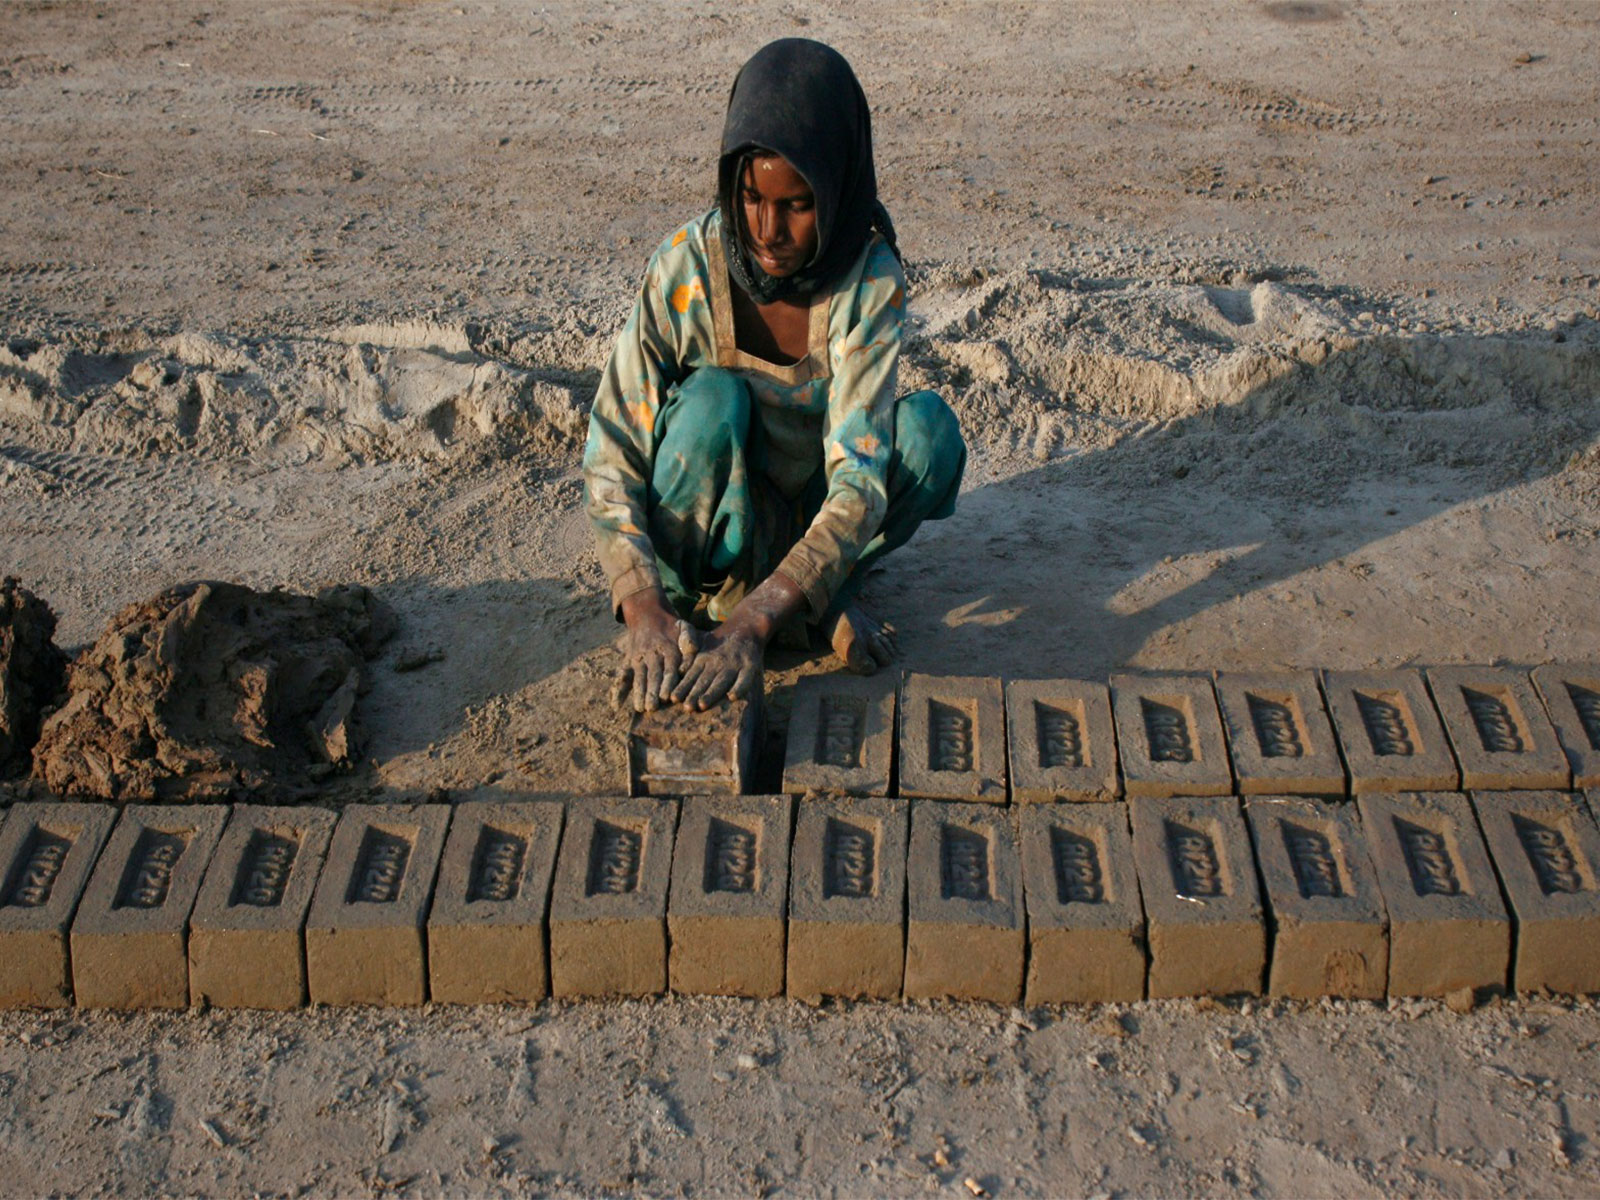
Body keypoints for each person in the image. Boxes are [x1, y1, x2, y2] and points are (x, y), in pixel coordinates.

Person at [583, 38, 966, 713]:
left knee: (930, 436)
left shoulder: (868, 282)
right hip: (711, 529)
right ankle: (789, 603)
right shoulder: (684, 269)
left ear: (838, 187)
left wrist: (752, 626)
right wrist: (641, 605)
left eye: (797, 204)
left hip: (814, 508)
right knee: (708, 405)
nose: (768, 230)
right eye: (752, 197)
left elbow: (857, 481)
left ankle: (791, 598)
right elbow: (613, 448)